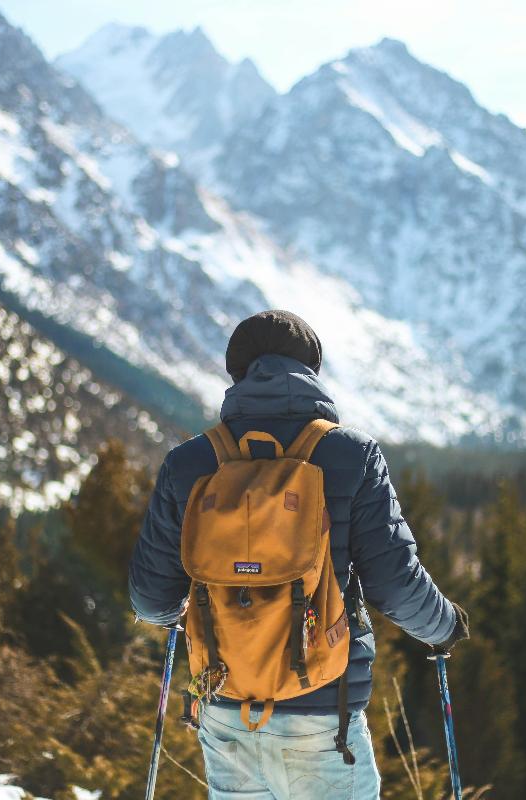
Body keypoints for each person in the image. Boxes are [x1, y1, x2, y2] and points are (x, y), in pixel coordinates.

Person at [129, 310, 469, 800]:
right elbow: (394, 583)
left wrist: (187, 611)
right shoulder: (352, 456)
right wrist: (444, 627)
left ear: (237, 373)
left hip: (226, 708)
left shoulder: (189, 464)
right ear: (311, 370)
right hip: (323, 714)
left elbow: (150, 600)